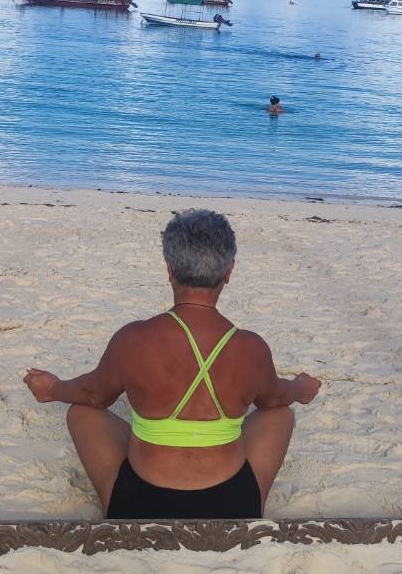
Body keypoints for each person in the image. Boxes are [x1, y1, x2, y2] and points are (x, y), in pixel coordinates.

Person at [23, 209, 320, 518]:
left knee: (81, 412)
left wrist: (53, 388)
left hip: (139, 503)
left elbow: (92, 394)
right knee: (280, 415)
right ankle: (250, 506)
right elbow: (276, 398)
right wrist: (302, 387)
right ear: (229, 272)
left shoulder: (134, 339)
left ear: (169, 270)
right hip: (231, 503)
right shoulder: (250, 347)